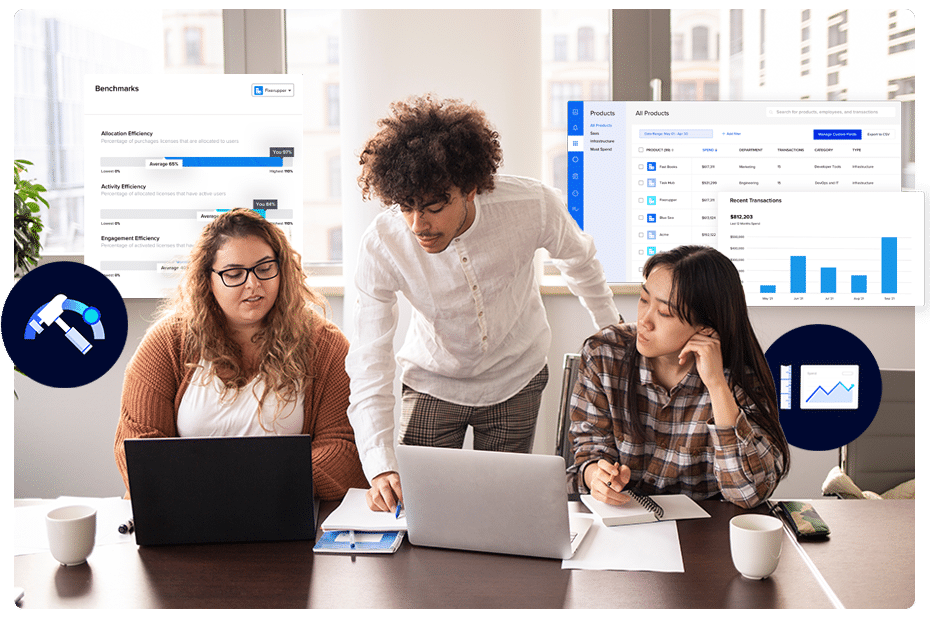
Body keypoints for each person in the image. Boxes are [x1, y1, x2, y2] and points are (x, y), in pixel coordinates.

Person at [348, 94, 620, 512]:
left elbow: (579, 261)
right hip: (432, 382)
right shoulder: (383, 244)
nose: (419, 225)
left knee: (503, 511)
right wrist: (380, 463)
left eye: (435, 208)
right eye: (406, 207)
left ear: (471, 189)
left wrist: (614, 336)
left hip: (516, 377)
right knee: (422, 510)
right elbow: (369, 358)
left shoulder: (532, 205)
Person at [114, 209, 367, 500]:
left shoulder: (326, 346)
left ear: (283, 270)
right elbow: (137, 444)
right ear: (207, 281)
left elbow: (344, 448)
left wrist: (258, 485)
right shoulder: (168, 342)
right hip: (185, 509)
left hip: (283, 511)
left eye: (265, 268)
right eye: (234, 274)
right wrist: (229, 485)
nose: (253, 284)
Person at [568, 245, 789, 509]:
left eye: (664, 313)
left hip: (703, 534)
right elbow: (589, 450)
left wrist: (717, 385)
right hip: (621, 521)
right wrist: (597, 476)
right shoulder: (604, 353)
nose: (645, 321)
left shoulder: (737, 379)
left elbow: (749, 493)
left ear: (705, 329)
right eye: (643, 299)